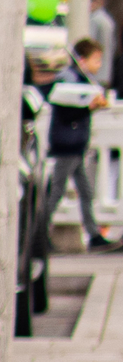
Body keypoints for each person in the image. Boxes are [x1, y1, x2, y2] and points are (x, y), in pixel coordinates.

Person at [41, 37, 115, 251]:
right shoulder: (70, 80)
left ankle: (93, 235)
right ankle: (40, 234)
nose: (99, 65)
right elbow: (67, 113)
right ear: (82, 60)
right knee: (56, 191)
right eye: (96, 60)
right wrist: (89, 107)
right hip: (68, 145)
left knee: (85, 191)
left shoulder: (79, 80)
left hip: (74, 145)